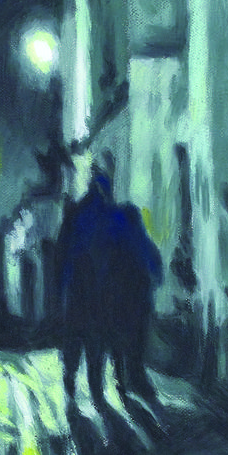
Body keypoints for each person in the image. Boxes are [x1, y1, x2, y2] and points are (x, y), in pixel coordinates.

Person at [55, 164, 116, 405]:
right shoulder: (109, 215)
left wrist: (60, 287)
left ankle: (70, 383)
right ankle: (96, 390)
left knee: (74, 338)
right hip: (99, 291)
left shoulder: (75, 212)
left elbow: (61, 253)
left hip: (76, 288)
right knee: (95, 342)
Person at [107, 202, 163, 402]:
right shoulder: (145, 243)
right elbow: (158, 274)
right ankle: (136, 378)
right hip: (140, 302)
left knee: (118, 341)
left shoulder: (114, 247)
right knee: (137, 342)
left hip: (118, 303)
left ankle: (121, 379)